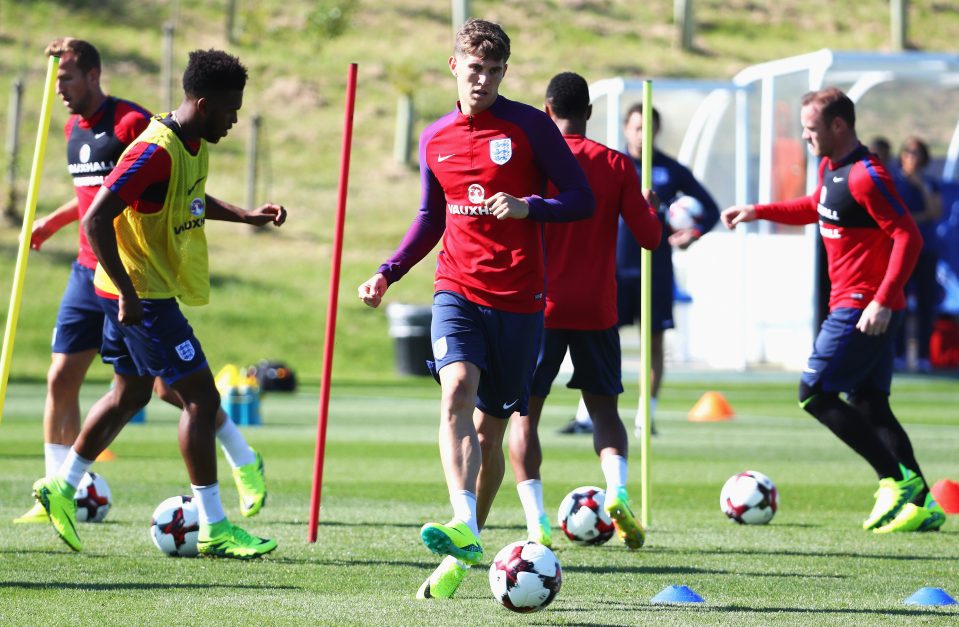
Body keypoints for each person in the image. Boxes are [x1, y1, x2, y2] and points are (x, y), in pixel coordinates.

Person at [357, 19, 594, 598]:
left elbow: (579, 199)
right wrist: (387, 272)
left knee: (490, 435)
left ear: (504, 73)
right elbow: (429, 218)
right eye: (473, 67)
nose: (481, 79)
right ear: (453, 66)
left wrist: (527, 207)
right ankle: (462, 519)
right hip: (456, 289)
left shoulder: (531, 127)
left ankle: (463, 553)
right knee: (455, 386)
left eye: (492, 70)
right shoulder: (434, 137)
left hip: (518, 301)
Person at [31, 48, 286, 558]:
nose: (236, 119)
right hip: (140, 294)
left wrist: (247, 216)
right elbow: (95, 218)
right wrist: (128, 294)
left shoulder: (194, 144)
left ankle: (61, 486)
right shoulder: (155, 149)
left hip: (136, 290)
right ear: (203, 101)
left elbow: (188, 199)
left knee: (131, 396)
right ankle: (214, 526)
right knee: (201, 399)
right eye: (231, 108)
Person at [721, 87, 945, 533]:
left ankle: (892, 480)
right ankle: (921, 500)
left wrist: (881, 299)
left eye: (810, 129)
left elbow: (908, 237)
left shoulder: (867, 175)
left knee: (813, 392)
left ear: (838, 126)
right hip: (862, 304)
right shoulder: (832, 168)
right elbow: (816, 207)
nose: (805, 137)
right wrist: (757, 210)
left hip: (863, 306)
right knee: (870, 404)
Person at [507, 72, 661, 555]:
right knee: (605, 412)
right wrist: (649, 210)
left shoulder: (535, 163)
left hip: (539, 306)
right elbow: (650, 239)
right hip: (596, 308)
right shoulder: (616, 163)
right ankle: (616, 493)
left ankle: (536, 525)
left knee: (525, 416)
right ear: (589, 113)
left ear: (546, 110)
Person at [562, 103, 720, 436]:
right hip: (614, 271)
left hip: (656, 269)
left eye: (648, 127)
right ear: (625, 129)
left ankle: (644, 416)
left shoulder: (670, 170)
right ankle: (586, 416)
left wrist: (692, 233)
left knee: (654, 343)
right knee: (600, 341)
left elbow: (710, 208)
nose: (642, 133)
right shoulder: (609, 163)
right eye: (636, 127)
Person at [892, 136, 942, 373]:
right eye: (908, 152)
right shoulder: (892, 181)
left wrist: (921, 185)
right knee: (897, 301)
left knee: (925, 304)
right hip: (900, 250)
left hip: (925, 249)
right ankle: (898, 353)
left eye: (916, 153)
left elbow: (934, 211)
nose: (911, 157)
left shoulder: (929, 183)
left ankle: (923, 356)